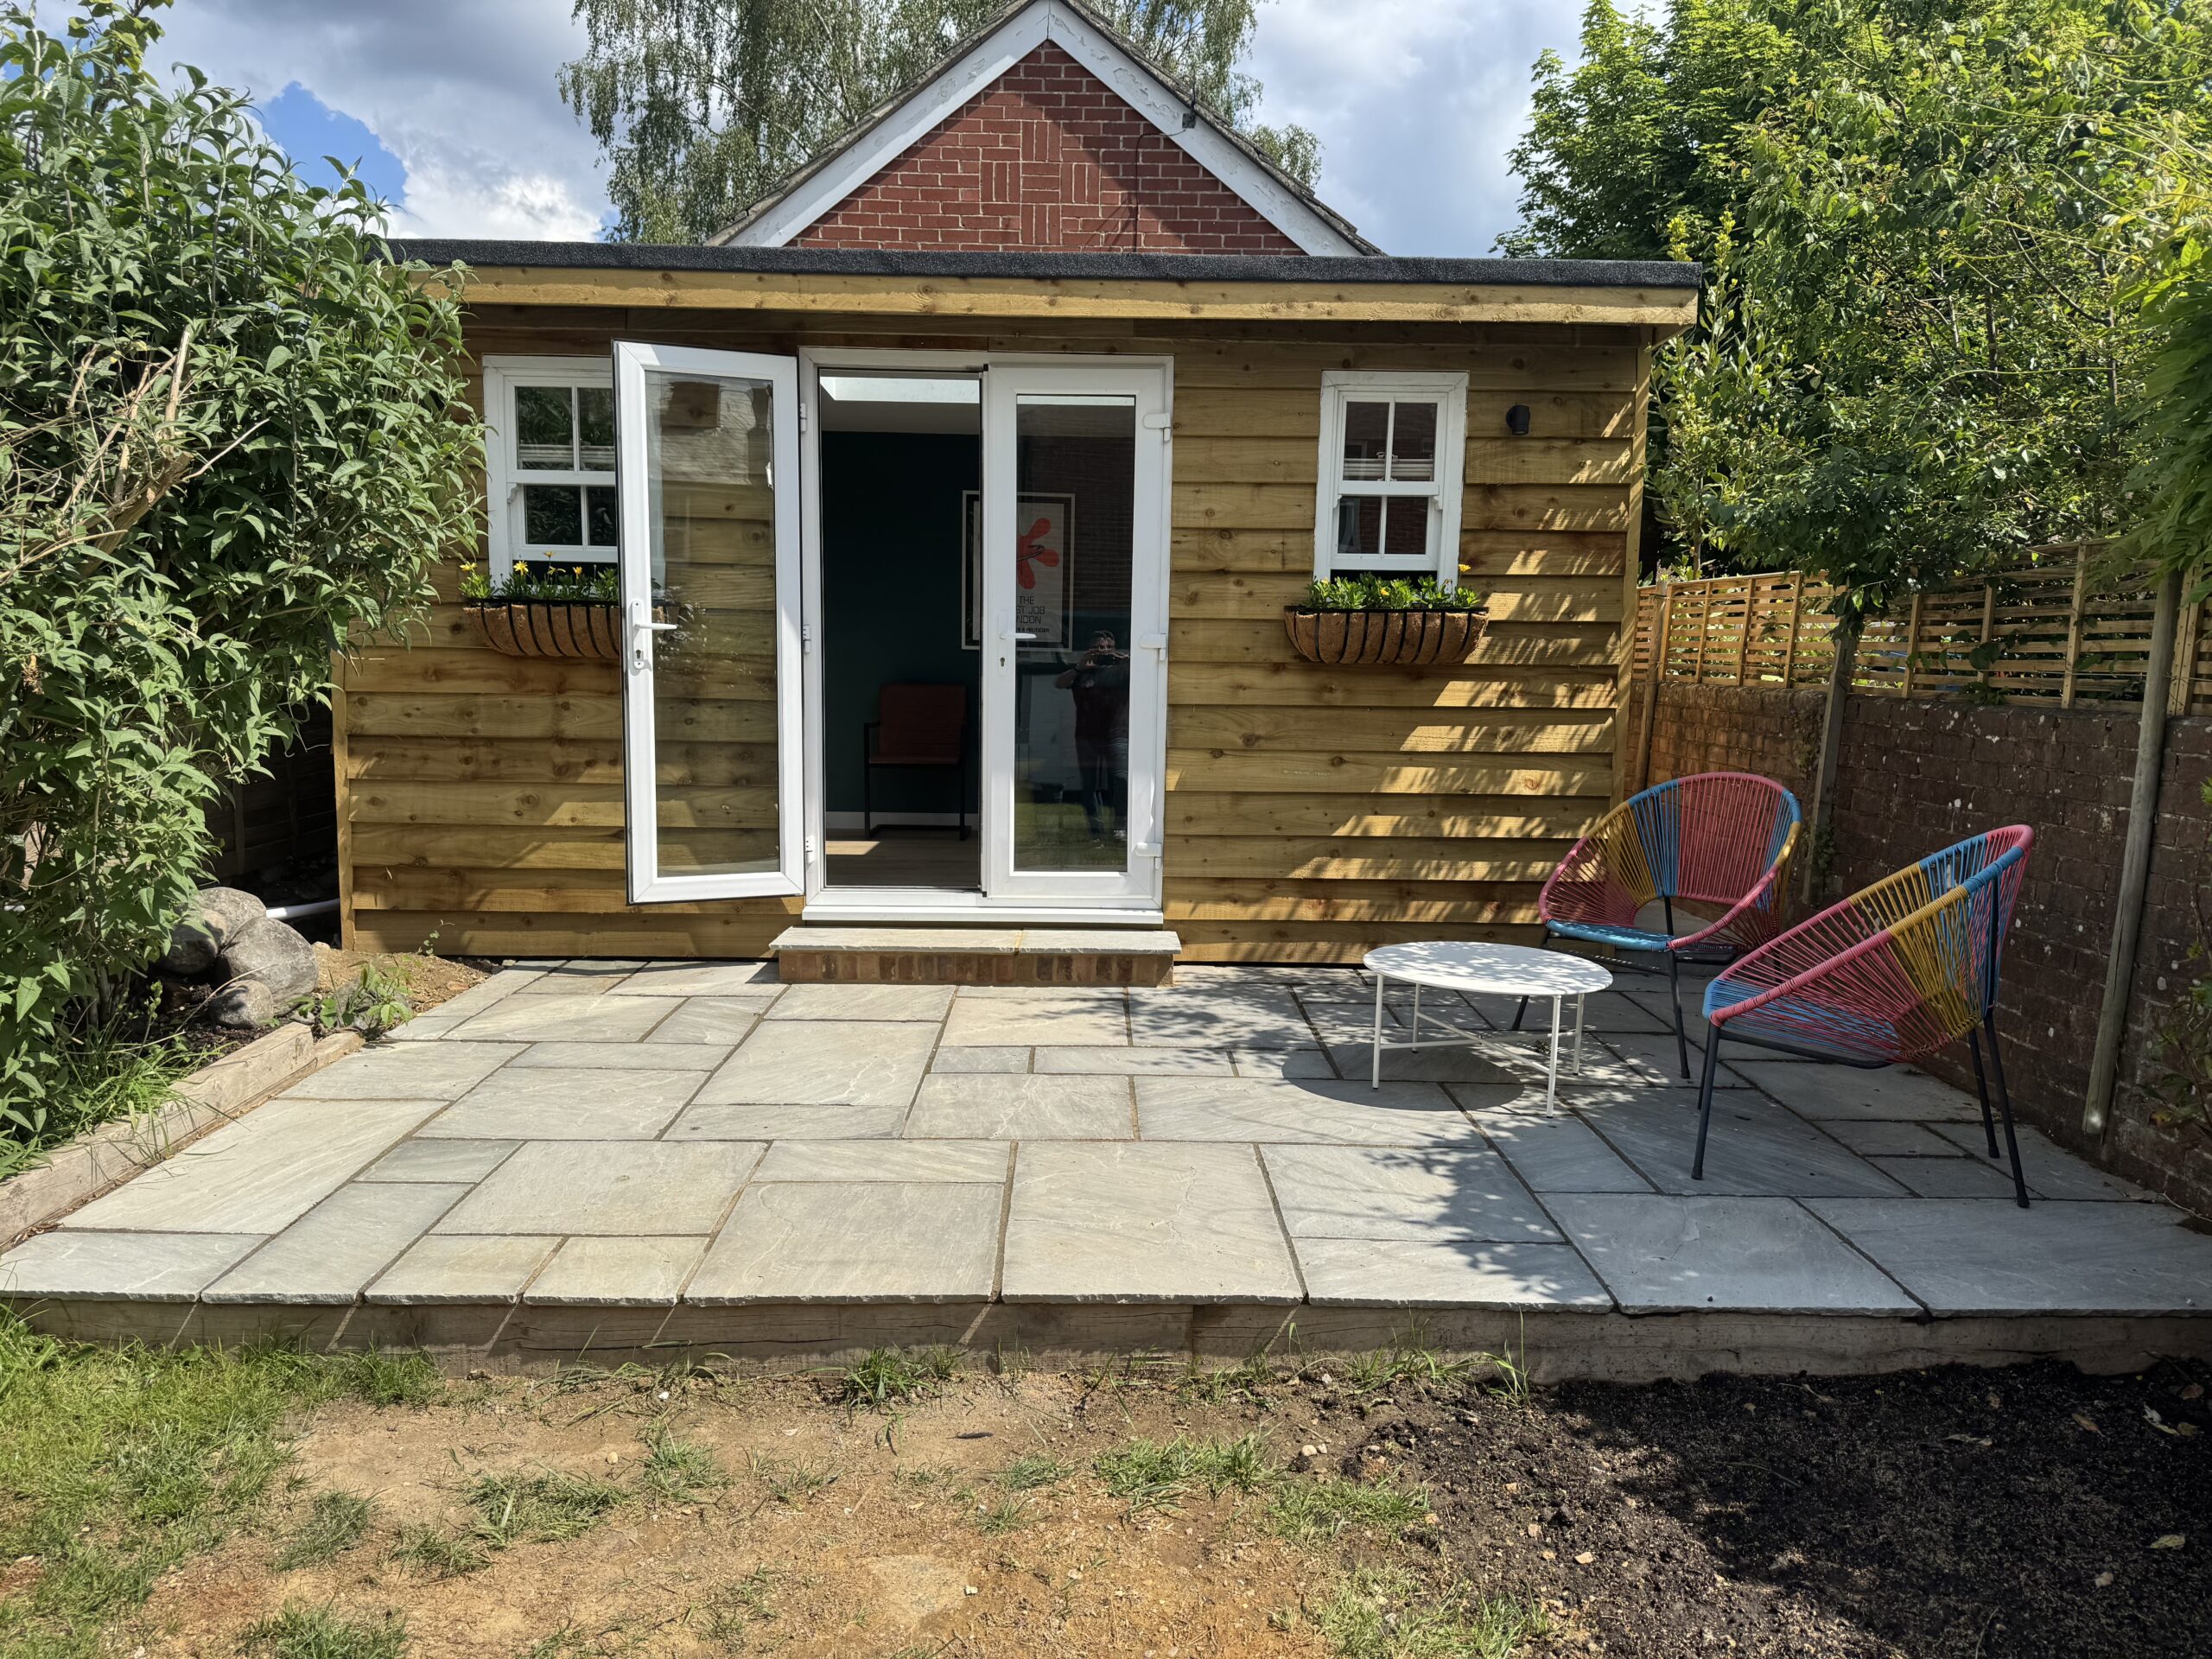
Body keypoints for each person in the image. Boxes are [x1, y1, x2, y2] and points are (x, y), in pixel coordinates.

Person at [1055, 630, 1128, 842]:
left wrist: (1127, 660)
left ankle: (1120, 828)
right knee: (1089, 784)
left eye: (1108, 648)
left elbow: (1148, 676)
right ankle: (1095, 831)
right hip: (1087, 736)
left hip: (1118, 733)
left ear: (1114, 649)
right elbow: (1059, 683)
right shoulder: (1083, 672)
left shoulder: (1123, 670)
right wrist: (1079, 667)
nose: (1103, 651)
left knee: (1121, 778)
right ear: (1089, 650)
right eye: (1098, 648)